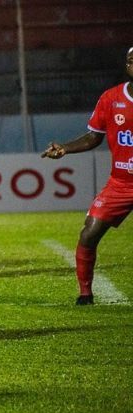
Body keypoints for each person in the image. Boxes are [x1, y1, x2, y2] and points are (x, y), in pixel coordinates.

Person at [41, 46, 133, 306]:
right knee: (88, 234)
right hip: (121, 183)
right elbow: (94, 136)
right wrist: (66, 148)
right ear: (126, 65)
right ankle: (85, 294)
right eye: (130, 60)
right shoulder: (111, 98)